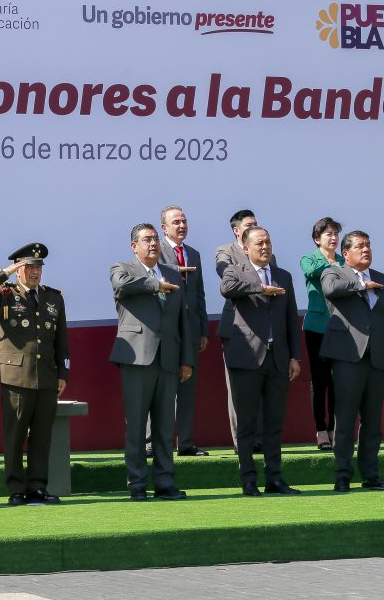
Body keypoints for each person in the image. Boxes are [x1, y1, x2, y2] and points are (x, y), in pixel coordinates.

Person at [0, 243, 69, 505]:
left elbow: (61, 340)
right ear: (18, 270)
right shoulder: (4, 295)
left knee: (41, 435)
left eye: (38, 267)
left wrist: (63, 373)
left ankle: (38, 487)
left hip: (47, 376)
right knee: (15, 434)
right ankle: (16, 488)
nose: (35, 272)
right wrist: (7, 270)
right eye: (28, 267)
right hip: (15, 375)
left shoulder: (53, 297)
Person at [110, 223, 193, 501]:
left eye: (155, 239)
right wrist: (154, 284)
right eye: (146, 240)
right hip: (137, 358)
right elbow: (122, 286)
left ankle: (165, 482)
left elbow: (183, 319)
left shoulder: (172, 272)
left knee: (163, 425)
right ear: (134, 246)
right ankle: (136, 484)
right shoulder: (122, 269)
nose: (153, 244)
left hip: (168, 358)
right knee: (135, 425)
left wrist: (186, 360)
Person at [320, 230, 384, 493]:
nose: (366, 249)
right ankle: (343, 475)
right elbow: (330, 290)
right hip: (348, 357)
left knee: (373, 421)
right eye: (359, 246)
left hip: (378, 359)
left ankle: (370, 475)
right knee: (345, 420)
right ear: (345, 254)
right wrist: (361, 285)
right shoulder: (334, 272)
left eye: (368, 245)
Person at [220, 227, 302, 496]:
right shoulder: (235, 271)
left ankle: (275, 478)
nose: (265, 247)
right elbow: (226, 288)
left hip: (277, 359)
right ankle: (248, 480)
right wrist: (260, 287)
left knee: (274, 423)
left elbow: (291, 319)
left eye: (268, 241)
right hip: (246, 358)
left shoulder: (284, 276)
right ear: (245, 248)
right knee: (246, 424)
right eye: (259, 243)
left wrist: (294, 356)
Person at [148, 206, 209, 457]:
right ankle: (151, 442)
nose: (182, 225)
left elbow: (200, 295)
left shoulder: (193, 253)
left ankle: (185, 443)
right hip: (167, 329)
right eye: (176, 222)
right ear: (164, 228)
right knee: (158, 389)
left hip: (191, 330)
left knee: (187, 389)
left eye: (184, 221)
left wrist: (203, 329)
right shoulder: (156, 251)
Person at [214, 209, 267, 453]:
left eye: (256, 223)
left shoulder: (266, 251)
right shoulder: (226, 251)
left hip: (262, 330)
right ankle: (240, 441)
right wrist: (255, 277)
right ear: (237, 230)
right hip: (236, 328)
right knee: (237, 390)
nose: (253, 227)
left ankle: (258, 438)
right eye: (249, 224)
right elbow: (228, 278)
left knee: (259, 389)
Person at [298, 217, 343, 451]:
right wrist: (334, 266)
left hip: (341, 328)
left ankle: (336, 429)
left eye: (336, 233)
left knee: (338, 381)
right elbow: (311, 272)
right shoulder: (309, 259)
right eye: (328, 234)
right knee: (319, 381)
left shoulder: (344, 259)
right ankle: (321, 430)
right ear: (317, 239)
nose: (333, 237)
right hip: (316, 327)